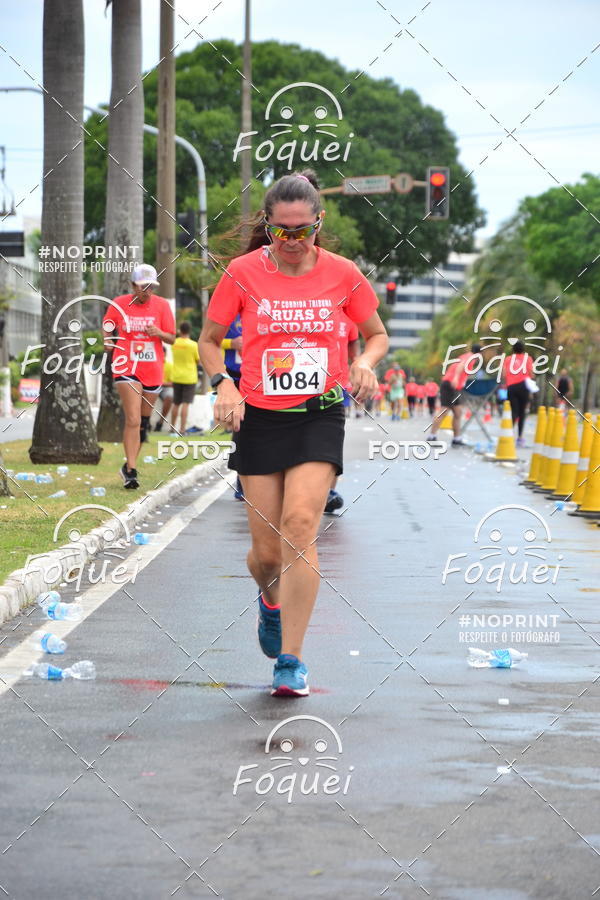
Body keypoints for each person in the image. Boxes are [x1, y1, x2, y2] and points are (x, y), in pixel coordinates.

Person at [199, 169, 388, 697]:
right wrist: (224, 383)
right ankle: (270, 602)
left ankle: (291, 660)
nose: (292, 241)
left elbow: (375, 334)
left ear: (317, 223)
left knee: (300, 524)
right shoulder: (241, 272)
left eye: (302, 230)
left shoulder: (343, 273)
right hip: (259, 414)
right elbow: (209, 340)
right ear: (268, 225)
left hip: (318, 412)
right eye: (281, 230)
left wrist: (366, 363)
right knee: (266, 555)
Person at [103, 263, 176, 489]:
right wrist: (107, 339)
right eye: (143, 286)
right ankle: (132, 472)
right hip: (126, 365)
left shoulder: (162, 306)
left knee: (143, 424)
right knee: (133, 419)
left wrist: (159, 333)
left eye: (151, 287)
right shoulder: (119, 303)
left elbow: (172, 338)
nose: (147, 291)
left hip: (152, 369)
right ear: (133, 285)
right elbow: (108, 324)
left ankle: (127, 466)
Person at [325, 310, 360, 514]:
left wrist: (359, 366)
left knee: (332, 439)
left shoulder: (349, 318)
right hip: (299, 387)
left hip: (337, 386)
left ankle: (329, 492)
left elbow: (354, 347)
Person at [427, 343, 481, 446]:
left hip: (454, 386)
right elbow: (461, 366)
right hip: (451, 385)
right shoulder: (471, 357)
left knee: (458, 413)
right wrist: (456, 378)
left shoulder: (465, 356)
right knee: (444, 411)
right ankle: (432, 436)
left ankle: (457, 438)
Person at [220, 315, 244, 500]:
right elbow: (210, 341)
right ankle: (241, 479)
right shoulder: (229, 313)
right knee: (241, 427)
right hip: (234, 377)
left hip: (261, 377)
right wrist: (232, 343)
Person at [170, 321, 199, 435]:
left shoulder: (174, 343)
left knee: (176, 403)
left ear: (180, 330)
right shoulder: (193, 345)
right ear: (189, 331)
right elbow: (198, 360)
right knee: (185, 404)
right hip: (189, 377)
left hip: (176, 376)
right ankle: (182, 430)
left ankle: (172, 428)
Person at [502, 340, 533, 447]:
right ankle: (520, 437)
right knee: (522, 412)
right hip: (524, 387)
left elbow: (504, 374)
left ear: (513, 350)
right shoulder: (528, 359)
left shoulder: (508, 359)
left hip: (511, 387)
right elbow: (531, 374)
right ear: (523, 350)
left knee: (513, 411)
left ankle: (509, 433)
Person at [154, 357, 173, 431]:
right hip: (151, 385)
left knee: (170, 396)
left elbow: (172, 383)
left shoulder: (169, 365)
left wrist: (161, 383)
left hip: (164, 386)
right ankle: (146, 421)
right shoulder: (152, 363)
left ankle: (160, 422)